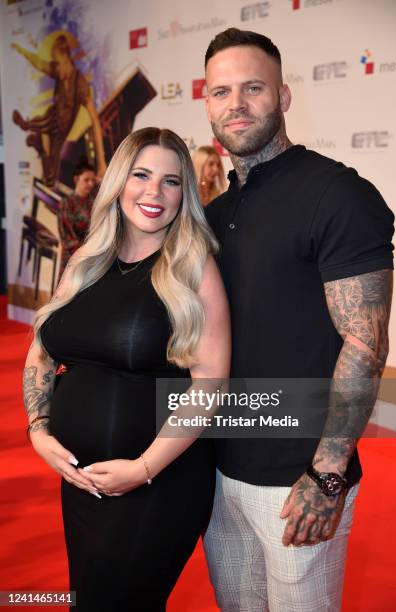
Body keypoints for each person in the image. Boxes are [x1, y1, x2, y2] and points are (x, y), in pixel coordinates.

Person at [202, 28, 394, 611]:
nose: (235, 104)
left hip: (297, 479)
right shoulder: (212, 212)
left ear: (283, 98)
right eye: (220, 92)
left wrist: (328, 474)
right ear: (206, 103)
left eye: (252, 88)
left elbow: (364, 341)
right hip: (214, 469)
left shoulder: (336, 194)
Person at [23, 127, 231, 611]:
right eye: (141, 175)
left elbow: (210, 383)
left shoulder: (193, 267)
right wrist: (38, 429)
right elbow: (41, 348)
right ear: (119, 180)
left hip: (158, 486)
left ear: (187, 193)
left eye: (171, 181)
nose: (154, 192)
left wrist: (142, 469)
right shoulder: (85, 262)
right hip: (84, 484)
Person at [11, 34, 107, 186]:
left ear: (67, 58)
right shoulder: (58, 70)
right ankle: (28, 125)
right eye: (54, 63)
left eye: (58, 62)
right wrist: (21, 50)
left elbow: (95, 121)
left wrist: (102, 162)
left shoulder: (79, 83)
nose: (56, 67)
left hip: (62, 128)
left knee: (51, 170)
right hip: (53, 118)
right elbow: (39, 63)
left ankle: (38, 143)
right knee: (45, 120)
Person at [57, 158, 98, 280]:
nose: (91, 184)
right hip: (74, 259)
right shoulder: (66, 203)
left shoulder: (94, 203)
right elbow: (67, 237)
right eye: (86, 180)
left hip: (94, 258)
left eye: (93, 180)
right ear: (76, 179)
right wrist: (87, 252)